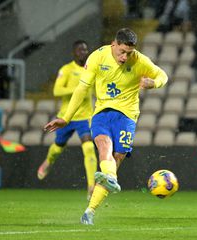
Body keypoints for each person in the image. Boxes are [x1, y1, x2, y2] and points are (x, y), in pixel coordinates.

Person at [44, 28, 168, 225]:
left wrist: (154, 83)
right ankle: (110, 179)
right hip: (102, 112)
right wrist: (66, 118)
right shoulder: (97, 57)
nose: (125, 57)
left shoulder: (139, 60)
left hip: (127, 116)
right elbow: (82, 88)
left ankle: (89, 211)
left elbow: (163, 75)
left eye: (129, 53)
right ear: (114, 44)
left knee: (116, 158)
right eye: (122, 52)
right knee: (103, 146)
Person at [37, 40, 98, 200]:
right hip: (66, 116)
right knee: (57, 148)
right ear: (74, 53)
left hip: (85, 117)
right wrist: (79, 88)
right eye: (79, 50)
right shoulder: (67, 69)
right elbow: (57, 90)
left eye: (85, 49)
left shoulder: (91, 69)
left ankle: (91, 186)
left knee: (89, 148)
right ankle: (48, 161)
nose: (83, 52)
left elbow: (98, 90)